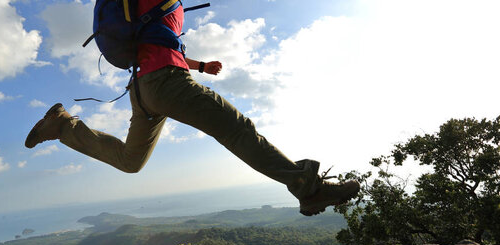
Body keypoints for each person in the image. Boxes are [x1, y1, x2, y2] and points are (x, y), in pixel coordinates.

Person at [25, 0, 359, 216]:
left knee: (131, 161)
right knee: (238, 129)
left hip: (143, 88)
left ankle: (63, 125)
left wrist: (200, 66)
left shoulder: (153, 10)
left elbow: (158, 43)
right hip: (166, 83)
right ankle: (307, 187)